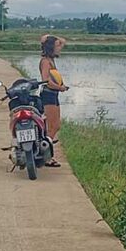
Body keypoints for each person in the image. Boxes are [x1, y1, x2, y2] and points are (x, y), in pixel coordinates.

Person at [39, 34, 68, 167]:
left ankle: (45, 154)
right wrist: (60, 88)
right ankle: (46, 156)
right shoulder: (45, 62)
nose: (59, 48)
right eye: (56, 45)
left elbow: (63, 41)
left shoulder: (51, 59)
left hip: (53, 94)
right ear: (51, 47)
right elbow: (46, 81)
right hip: (49, 95)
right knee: (52, 127)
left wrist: (51, 37)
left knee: (55, 126)